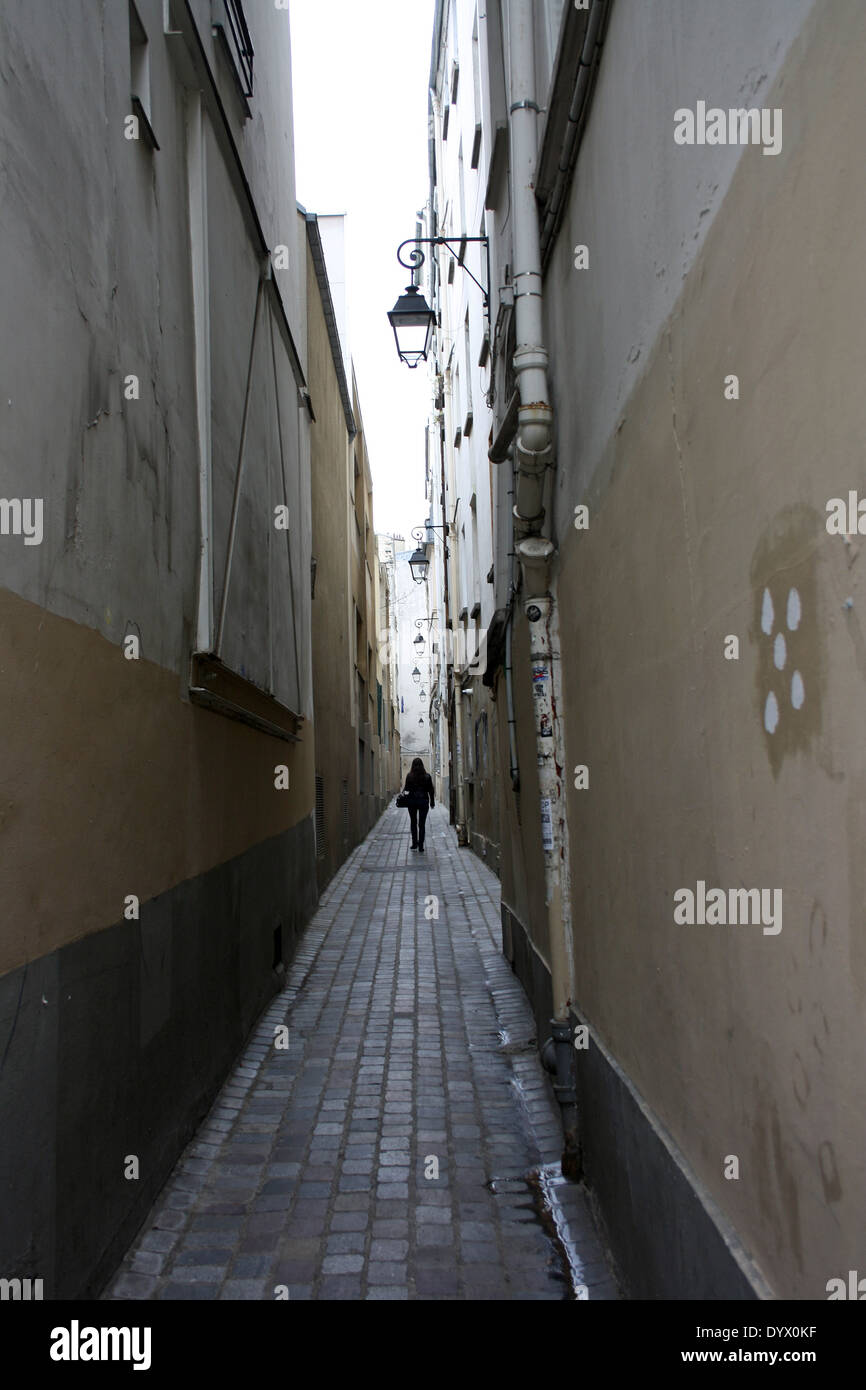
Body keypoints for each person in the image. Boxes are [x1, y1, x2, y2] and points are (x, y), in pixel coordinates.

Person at [402, 757, 435, 851]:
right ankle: (421, 845)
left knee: (413, 822)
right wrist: (432, 802)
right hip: (423, 801)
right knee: (422, 824)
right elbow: (431, 790)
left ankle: (414, 843)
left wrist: (404, 798)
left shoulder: (409, 776)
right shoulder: (427, 776)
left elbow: (406, 789)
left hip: (412, 802)